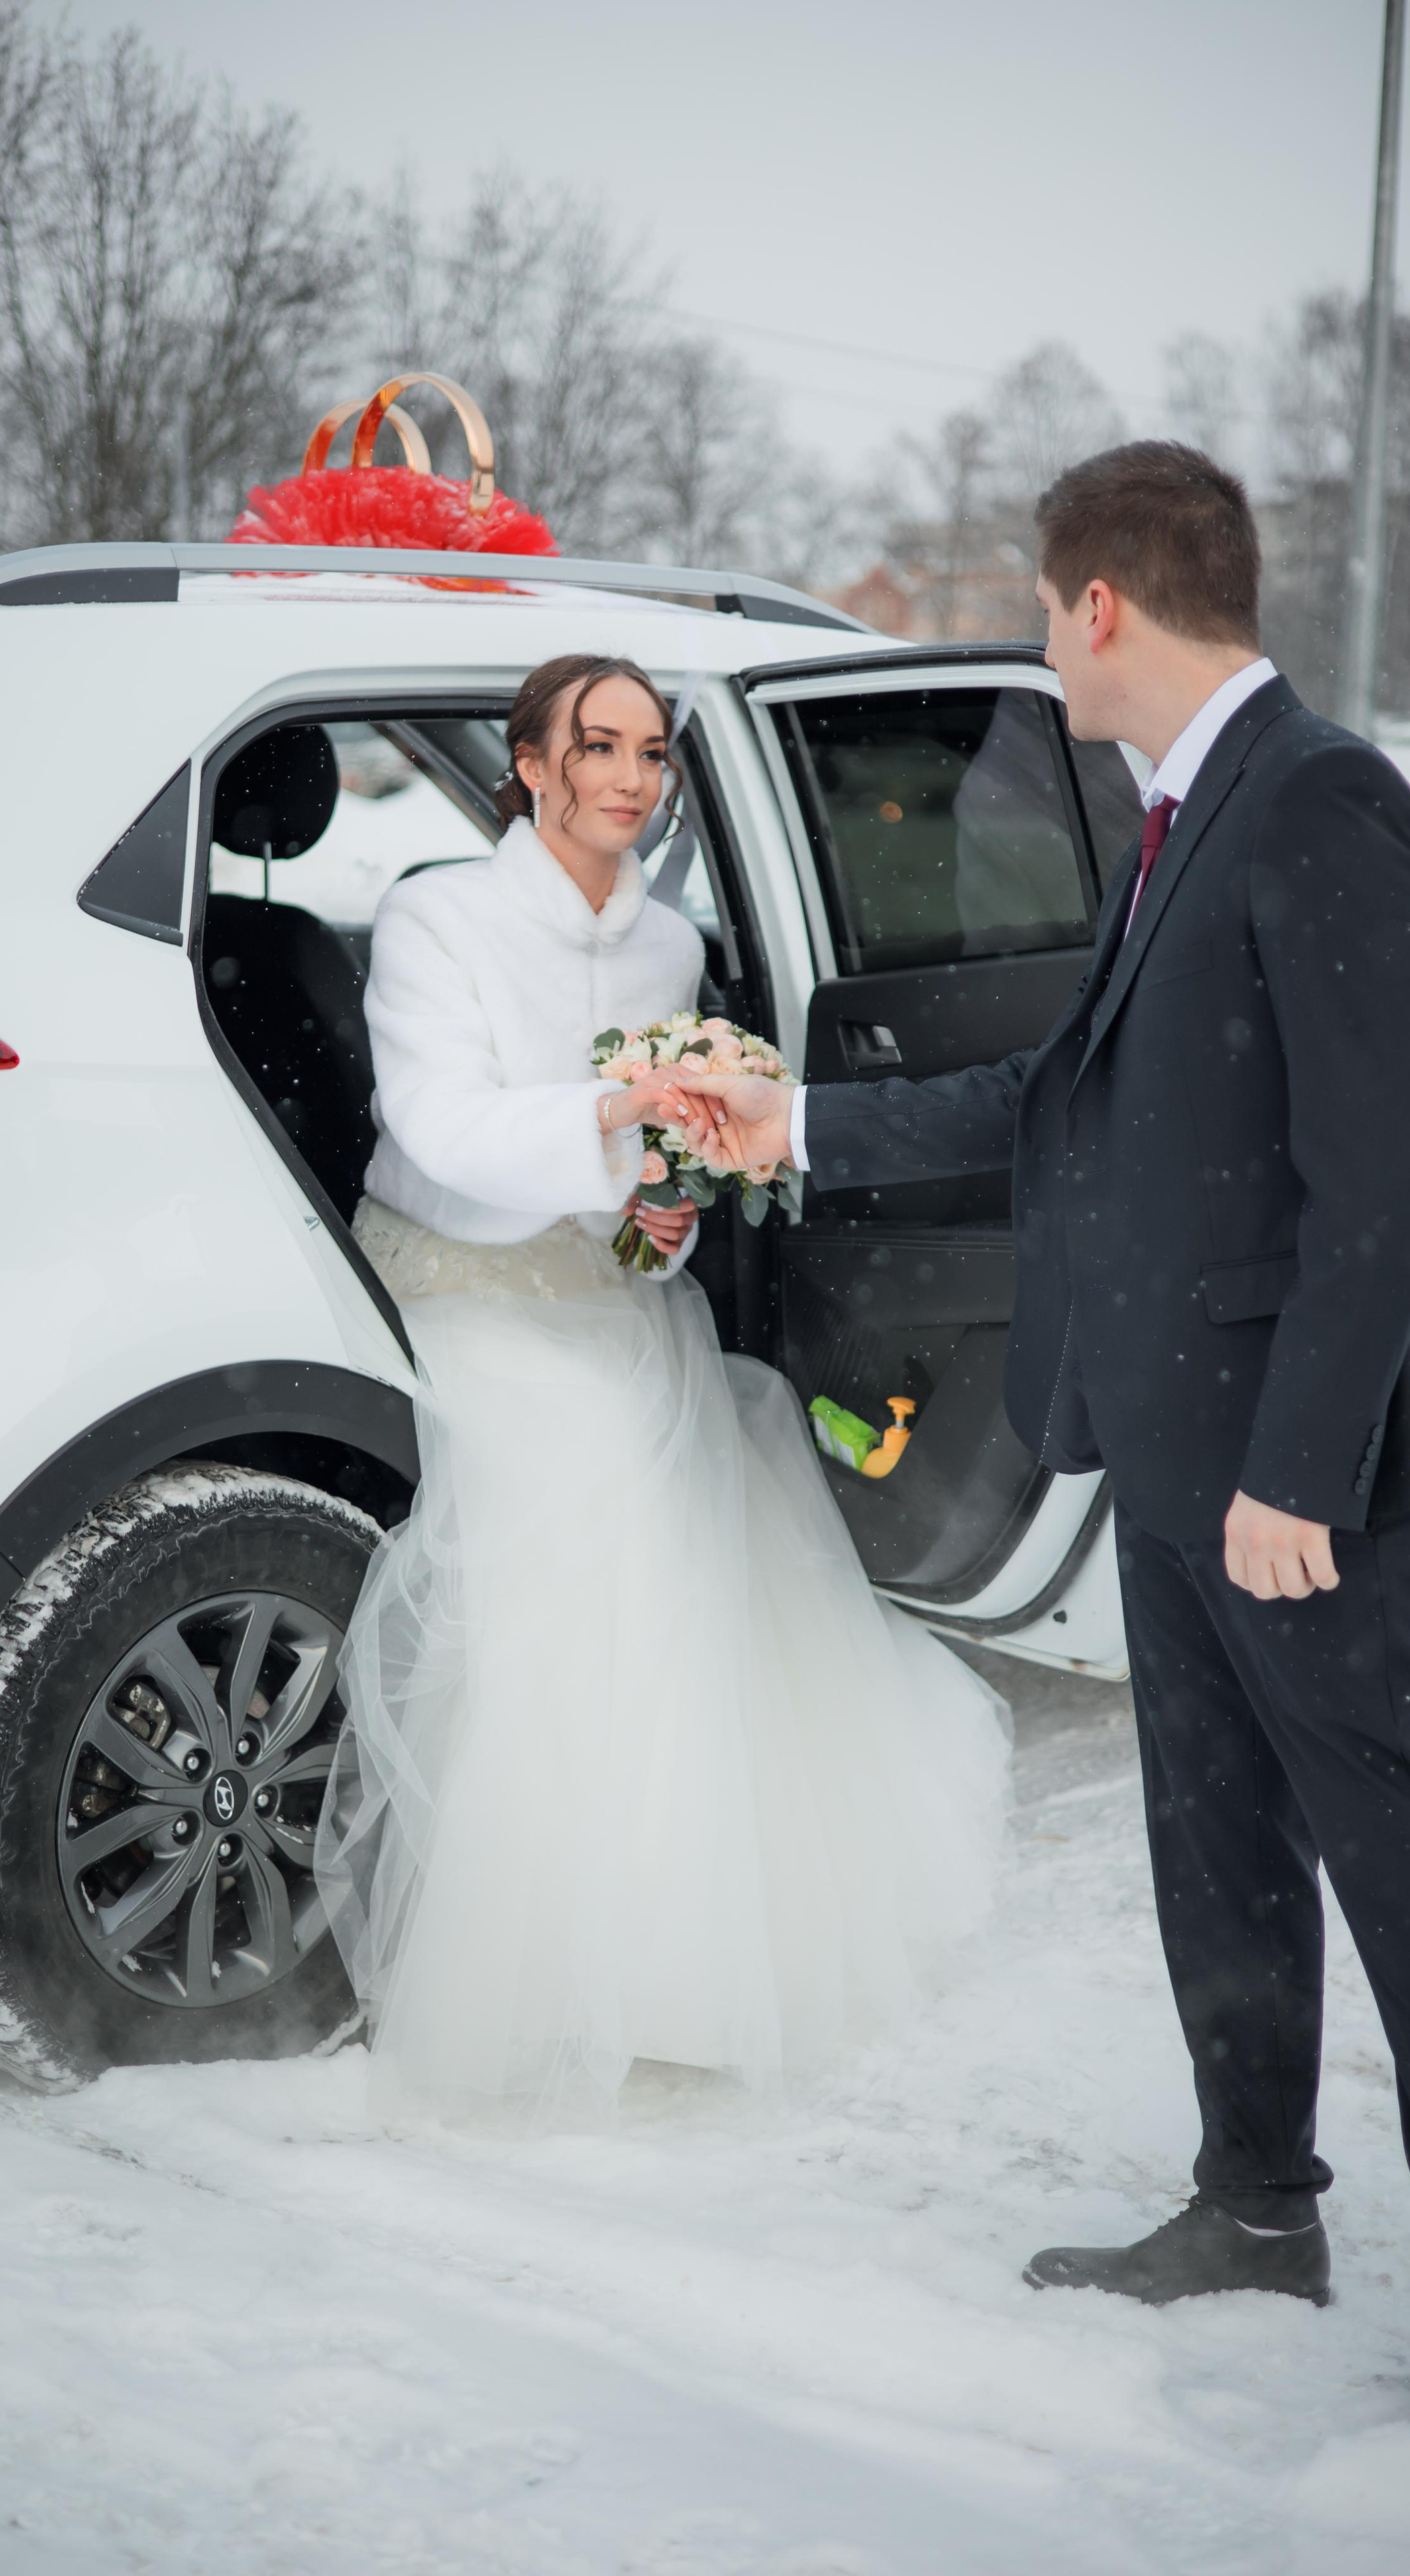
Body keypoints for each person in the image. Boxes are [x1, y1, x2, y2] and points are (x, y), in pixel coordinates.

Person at [676, 444, 1410, 2443]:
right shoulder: (1182, 816)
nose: (1034, 636)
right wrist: (792, 1129)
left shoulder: (1324, 801)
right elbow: (1061, 1095)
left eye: (1037, 600)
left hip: (1305, 1483)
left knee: (1393, 1859)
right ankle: (1257, 2207)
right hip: (1181, 1460)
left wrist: (1297, 1479)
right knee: (1216, 1848)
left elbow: (1374, 1184)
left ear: (1100, 609)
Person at [316, 651, 1007, 2129]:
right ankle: (526, 1967)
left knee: (706, 1454)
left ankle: (671, 1957)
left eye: (652, 753)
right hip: (456, 1286)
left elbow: (659, 1178)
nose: (630, 777)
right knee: (581, 1489)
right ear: (530, 762)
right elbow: (436, 1132)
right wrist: (620, 1117)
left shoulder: (670, 956)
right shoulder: (437, 916)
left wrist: (663, 1201)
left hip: (611, 1294)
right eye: (599, 747)